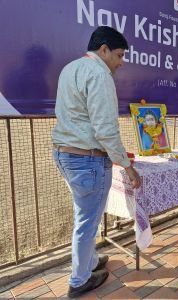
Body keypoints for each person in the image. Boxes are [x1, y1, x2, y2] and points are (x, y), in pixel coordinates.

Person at [52, 26, 141, 298]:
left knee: (85, 215)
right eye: (119, 54)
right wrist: (127, 166)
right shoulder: (100, 74)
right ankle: (79, 281)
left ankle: (89, 262)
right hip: (86, 158)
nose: (121, 61)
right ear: (103, 50)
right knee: (87, 221)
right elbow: (105, 129)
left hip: (66, 154)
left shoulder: (71, 68)